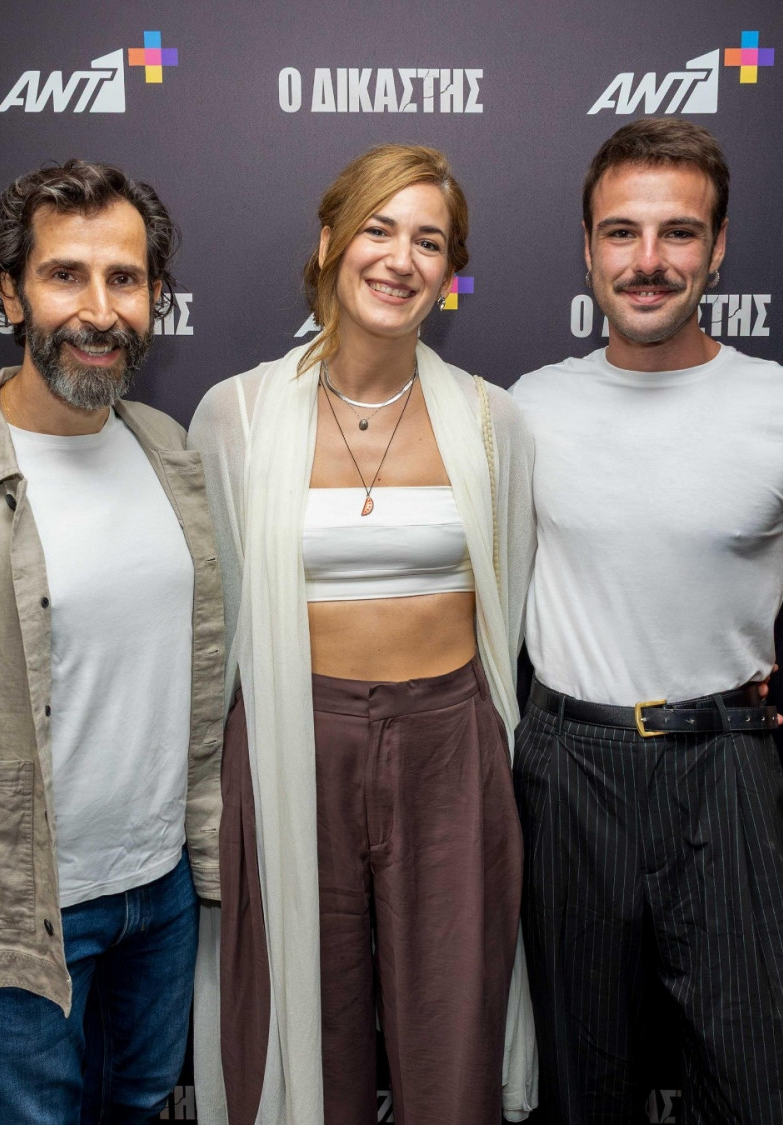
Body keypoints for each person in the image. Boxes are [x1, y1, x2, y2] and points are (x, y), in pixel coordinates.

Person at [188, 144, 537, 1125]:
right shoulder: (235, 416)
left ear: (450, 271)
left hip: (451, 745)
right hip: (293, 742)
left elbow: (514, 602)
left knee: (451, 1028)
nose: (400, 258)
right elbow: (216, 628)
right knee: (308, 1023)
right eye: (379, 228)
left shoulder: (493, 422)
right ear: (330, 242)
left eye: (429, 240)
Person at [0, 160, 225, 1124]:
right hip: (13, 911)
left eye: (124, 279)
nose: (99, 309)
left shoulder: (169, 448)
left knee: (140, 1103)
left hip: (161, 894)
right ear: (10, 293)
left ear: (155, 297)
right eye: (64, 275)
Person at [511, 117, 783, 1124]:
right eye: (621, 232)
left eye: (679, 232)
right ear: (588, 250)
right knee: (580, 1091)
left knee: (759, 1085)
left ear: (717, 250)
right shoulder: (527, 409)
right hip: (568, 773)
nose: (648, 260)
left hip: (727, 769)